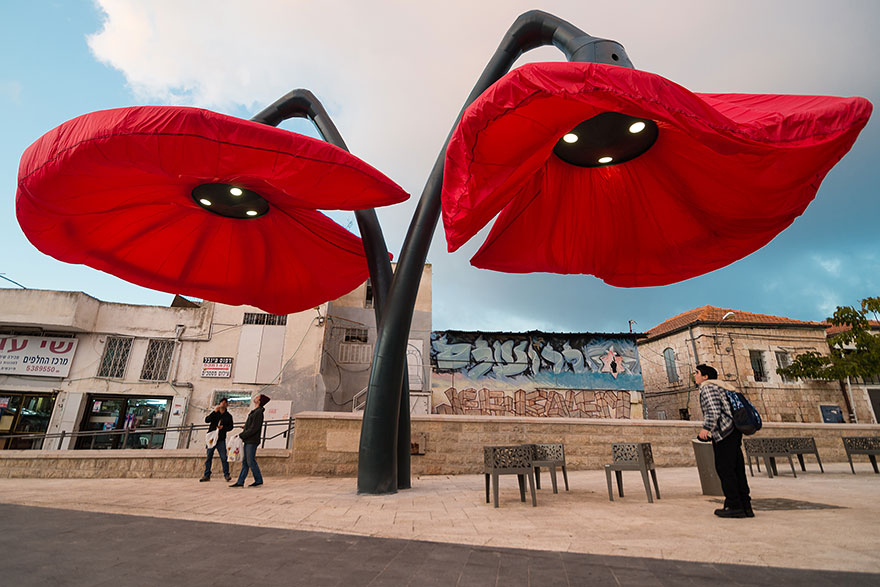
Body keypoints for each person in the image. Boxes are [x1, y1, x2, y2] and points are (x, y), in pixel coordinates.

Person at [696, 364, 753, 518]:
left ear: (705, 376)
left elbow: (713, 410)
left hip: (724, 432)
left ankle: (734, 505)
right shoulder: (724, 387)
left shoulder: (707, 388)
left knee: (725, 469)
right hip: (734, 431)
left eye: (697, 373)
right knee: (737, 469)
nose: (695, 375)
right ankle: (745, 505)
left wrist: (706, 428)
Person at [230, 394, 269, 488]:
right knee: (245, 461)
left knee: (250, 461)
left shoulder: (259, 412)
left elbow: (255, 428)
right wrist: (245, 427)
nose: (255, 398)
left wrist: (242, 435)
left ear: (259, 401)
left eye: (258, 397)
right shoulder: (255, 411)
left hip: (252, 440)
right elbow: (252, 425)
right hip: (248, 439)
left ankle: (258, 480)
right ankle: (240, 481)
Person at [200, 398, 234, 482]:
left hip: (221, 438)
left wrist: (224, 428)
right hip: (212, 438)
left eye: (225, 403)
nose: (223, 404)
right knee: (209, 457)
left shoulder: (228, 416)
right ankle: (206, 474)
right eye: (222, 402)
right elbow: (207, 420)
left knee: (223, 457)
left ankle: (226, 474)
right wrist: (214, 412)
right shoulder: (215, 413)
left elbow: (231, 427)